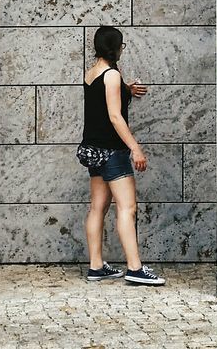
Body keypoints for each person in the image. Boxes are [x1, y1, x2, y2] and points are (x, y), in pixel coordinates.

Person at [80, 25, 165, 286]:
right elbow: (115, 116)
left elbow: (102, 97)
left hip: (92, 150)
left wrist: (127, 89)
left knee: (98, 207)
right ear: (116, 48)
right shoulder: (112, 75)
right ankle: (135, 268)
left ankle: (96, 266)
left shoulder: (92, 73)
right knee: (127, 208)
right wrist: (136, 148)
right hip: (112, 151)